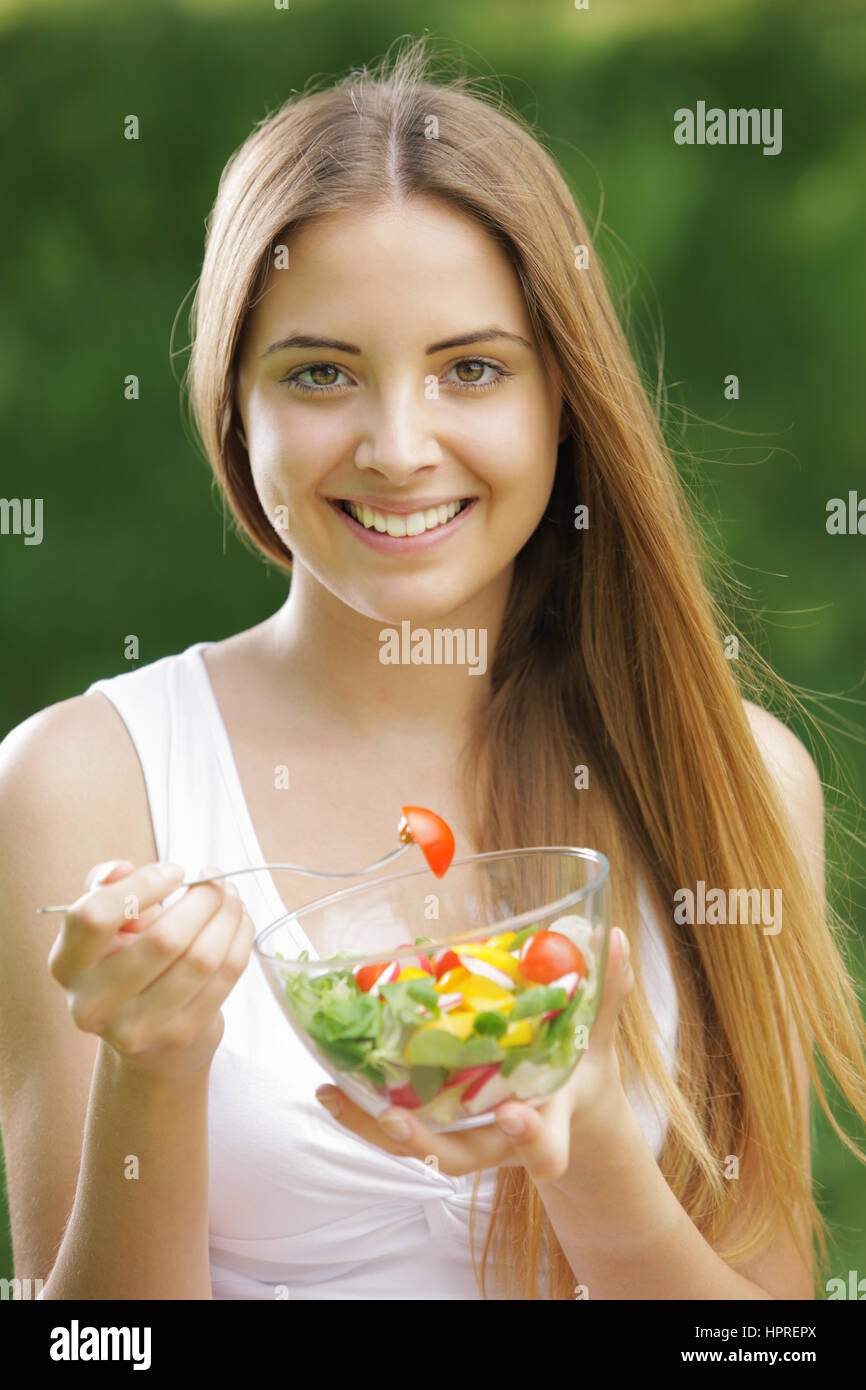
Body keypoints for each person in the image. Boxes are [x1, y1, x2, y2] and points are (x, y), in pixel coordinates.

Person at [1, 35, 864, 1302]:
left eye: (470, 369)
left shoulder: (731, 773)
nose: (399, 447)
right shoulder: (76, 781)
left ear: (561, 402)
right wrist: (155, 1067)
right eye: (319, 373)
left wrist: (582, 1158)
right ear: (231, 405)